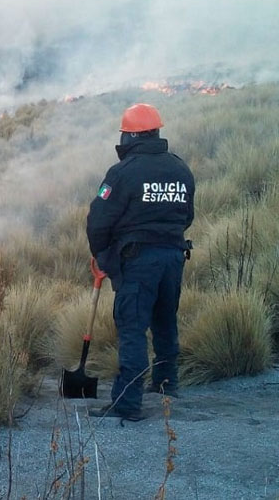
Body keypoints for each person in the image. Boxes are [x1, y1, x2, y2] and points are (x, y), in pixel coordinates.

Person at [85, 103, 195, 422]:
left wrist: (104, 258)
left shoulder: (123, 173)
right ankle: (165, 384)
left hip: (138, 261)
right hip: (174, 257)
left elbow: (98, 222)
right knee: (164, 320)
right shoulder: (180, 168)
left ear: (131, 135)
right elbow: (187, 216)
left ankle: (127, 403)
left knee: (133, 327)